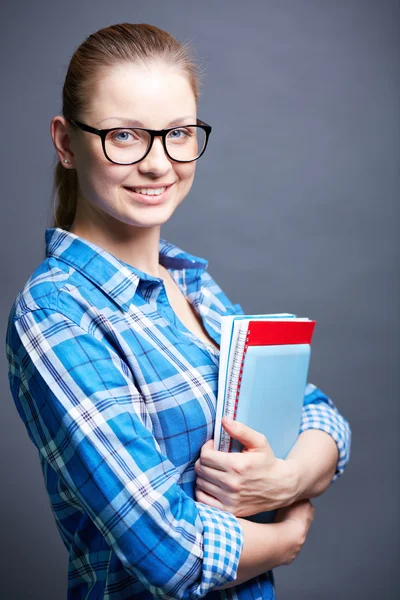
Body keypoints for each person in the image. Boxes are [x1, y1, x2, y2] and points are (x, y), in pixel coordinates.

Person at [5, 23, 351, 600]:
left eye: (179, 133)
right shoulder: (54, 314)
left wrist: (285, 478)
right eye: (124, 136)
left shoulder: (195, 288)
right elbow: (173, 553)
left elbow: (319, 414)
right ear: (66, 143)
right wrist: (285, 536)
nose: (158, 163)